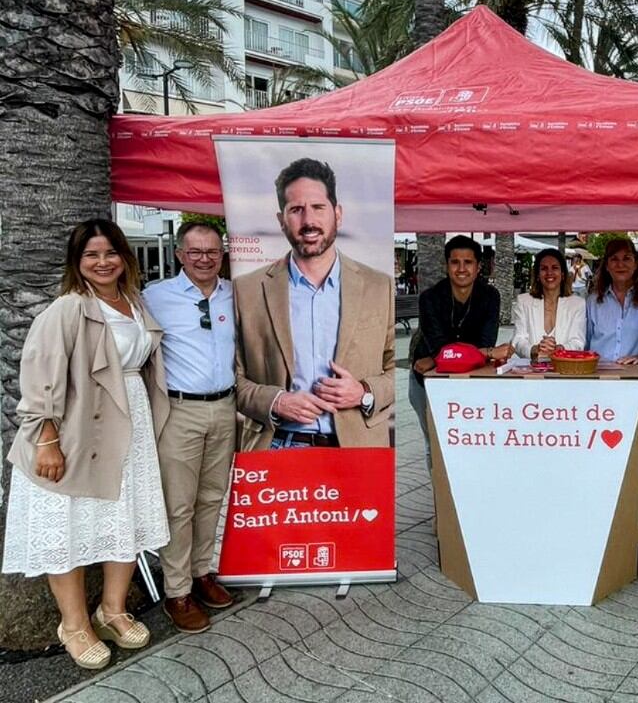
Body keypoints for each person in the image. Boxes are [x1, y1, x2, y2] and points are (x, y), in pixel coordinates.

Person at [2, 220, 170, 669]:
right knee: (70, 526)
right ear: (77, 262)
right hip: (77, 430)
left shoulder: (133, 302)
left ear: (125, 256)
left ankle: (111, 609)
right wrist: (47, 440)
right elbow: (38, 378)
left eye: (110, 252)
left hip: (129, 426)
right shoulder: (68, 309)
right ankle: (73, 624)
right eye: (91, 255)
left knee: (124, 520)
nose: (102, 262)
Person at [235, 157, 395, 449]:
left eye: (318, 208)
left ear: (338, 214)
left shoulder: (378, 286)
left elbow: (395, 367)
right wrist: (275, 401)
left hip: (359, 451)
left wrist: (364, 393)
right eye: (296, 209)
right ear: (281, 220)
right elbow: (234, 378)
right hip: (279, 446)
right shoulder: (247, 290)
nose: (308, 221)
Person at [141, 221, 236, 634]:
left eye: (212, 251)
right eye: (194, 251)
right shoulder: (154, 297)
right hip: (179, 411)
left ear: (222, 254)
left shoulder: (235, 294)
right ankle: (177, 590)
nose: (203, 259)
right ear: (179, 254)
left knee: (212, 497)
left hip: (225, 408)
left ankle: (202, 573)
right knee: (178, 504)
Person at [586, 237, 638, 556]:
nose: (620, 264)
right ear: (605, 263)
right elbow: (584, 343)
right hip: (598, 390)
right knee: (598, 458)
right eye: (614, 258)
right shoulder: (592, 299)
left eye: (627, 258)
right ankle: (602, 522)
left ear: (636, 263)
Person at [409, 236, 511, 464]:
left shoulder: (490, 297)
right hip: (426, 382)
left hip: (471, 381)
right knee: (434, 445)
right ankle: (440, 498)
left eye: (468, 262)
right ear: (447, 266)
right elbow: (440, 347)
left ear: (478, 267)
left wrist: (439, 359)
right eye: (455, 262)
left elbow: (485, 340)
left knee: (469, 441)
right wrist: (486, 353)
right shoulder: (430, 299)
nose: (462, 269)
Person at [511, 248, 586, 362]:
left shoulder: (577, 304)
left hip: (565, 371)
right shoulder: (523, 301)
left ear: (563, 274)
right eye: (544, 268)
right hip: (532, 373)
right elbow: (518, 340)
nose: (549, 272)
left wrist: (559, 349)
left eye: (555, 268)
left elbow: (578, 341)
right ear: (537, 275)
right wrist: (534, 349)